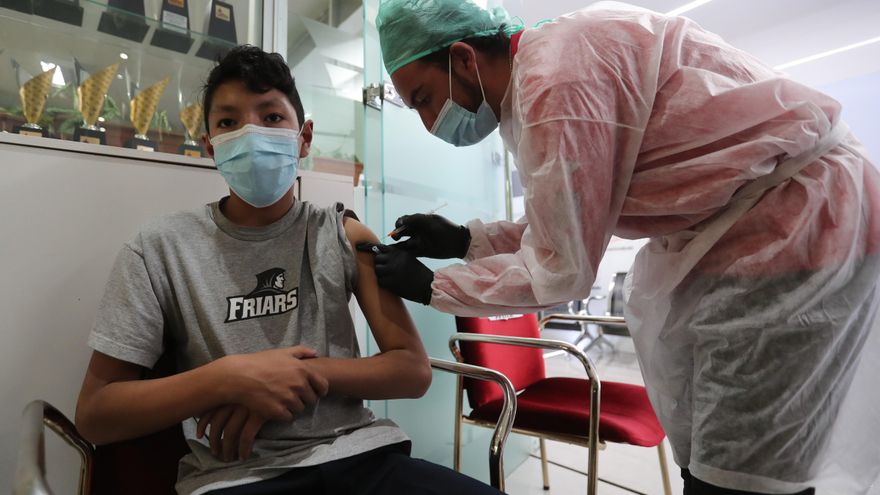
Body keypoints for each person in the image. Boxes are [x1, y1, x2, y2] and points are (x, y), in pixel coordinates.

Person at [358, 1, 880, 494]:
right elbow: (564, 224)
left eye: (424, 98)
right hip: (756, 225)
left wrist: (431, 285)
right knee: (718, 459)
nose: (429, 124)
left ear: (463, 58)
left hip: (793, 225)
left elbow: (561, 267)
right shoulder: (547, 72)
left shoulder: (553, 80)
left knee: (744, 476)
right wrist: (463, 240)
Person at [75, 45, 501, 495]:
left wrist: (296, 375)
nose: (251, 134)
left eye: (272, 117)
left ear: (305, 137)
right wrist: (229, 379)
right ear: (210, 147)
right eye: (227, 122)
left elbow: (411, 370)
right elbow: (96, 413)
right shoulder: (160, 249)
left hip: (361, 457)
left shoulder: (343, 235)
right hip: (236, 477)